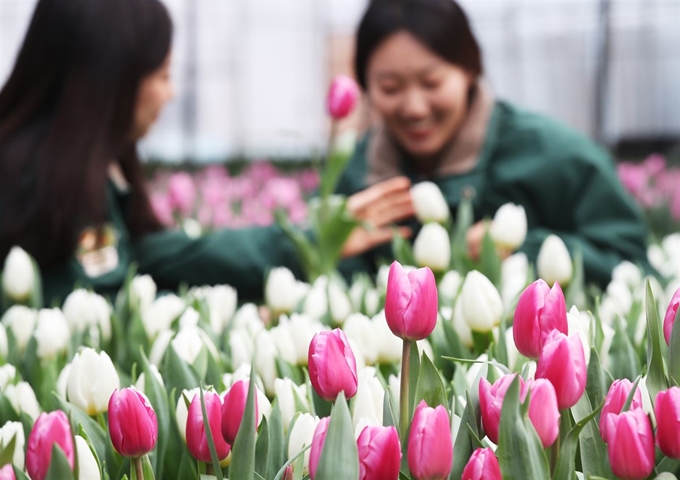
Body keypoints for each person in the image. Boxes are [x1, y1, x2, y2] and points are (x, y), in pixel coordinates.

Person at [0, 0, 413, 305]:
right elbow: (97, 301)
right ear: (111, 81)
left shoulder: (86, 167)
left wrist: (305, 243)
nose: (170, 92)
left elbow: (154, 255)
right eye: (162, 75)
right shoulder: (38, 179)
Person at [335, 0, 651, 287]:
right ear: (366, 86)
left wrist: (526, 251)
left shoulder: (556, 156)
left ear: (470, 69)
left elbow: (633, 266)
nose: (415, 108)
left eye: (432, 83)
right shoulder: (359, 172)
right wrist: (323, 246)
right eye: (390, 88)